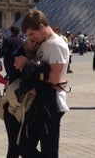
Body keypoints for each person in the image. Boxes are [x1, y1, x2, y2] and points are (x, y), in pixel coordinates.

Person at [16, 9, 70, 157]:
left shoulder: (56, 45)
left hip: (50, 105)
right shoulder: (45, 43)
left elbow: (54, 78)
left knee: (48, 151)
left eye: (32, 34)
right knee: (24, 146)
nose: (31, 38)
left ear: (41, 27)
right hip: (40, 102)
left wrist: (27, 64)